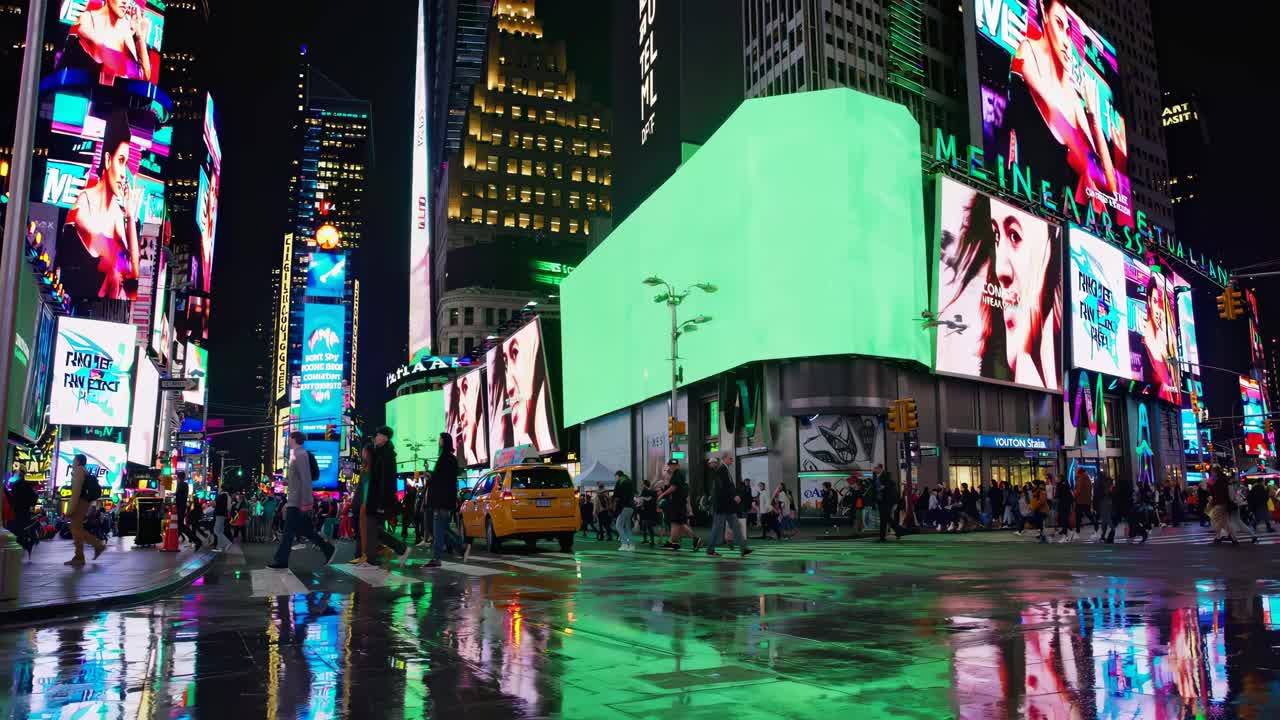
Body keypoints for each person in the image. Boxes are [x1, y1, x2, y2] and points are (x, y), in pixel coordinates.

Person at [59, 110, 142, 300]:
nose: (124, 174)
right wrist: (121, 257)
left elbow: (134, 273)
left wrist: (129, 218)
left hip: (106, 313)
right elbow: (109, 255)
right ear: (107, 160)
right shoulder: (84, 201)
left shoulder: (117, 214)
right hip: (73, 309)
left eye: (126, 163)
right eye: (121, 161)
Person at [268, 432, 336, 569]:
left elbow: (306, 478)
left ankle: (281, 561)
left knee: (288, 532)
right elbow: (300, 478)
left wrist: (307, 502)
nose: (287, 441)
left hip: (297, 501)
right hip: (295, 499)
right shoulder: (296, 455)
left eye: (289, 438)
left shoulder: (301, 455)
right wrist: (287, 482)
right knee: (305, 530)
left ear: (294, 439)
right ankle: (328, 549)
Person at [68, 0, 152, 84]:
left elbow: (146, 77)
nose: (125, 2)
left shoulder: (127, 30)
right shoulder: (87, 19)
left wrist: (140, 36)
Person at [426, 432, 467, 567]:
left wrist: (431, 477)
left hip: (441, 500)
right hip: (444, 500)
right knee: (442, 528)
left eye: (440, 439)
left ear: (444, 441)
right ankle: (461, 548)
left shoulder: (445, 459)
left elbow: (442, 481)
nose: (438, 442)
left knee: (439, 529)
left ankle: (437, 558)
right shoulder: (449, 459)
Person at [64, 454, 107, 566]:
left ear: (78, 461)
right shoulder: (83, 471)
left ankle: (94, 547)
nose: (72, 462)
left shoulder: (79, 471)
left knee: (75, 528)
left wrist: (70, 509)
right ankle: (81, 554)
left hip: (80, 502)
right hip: (83, 502)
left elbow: (76, 492)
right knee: (76, 528)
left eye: (74, 460)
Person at [705, 454, 750, 557]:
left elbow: (726, 487)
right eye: (730, 459)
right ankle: (710, 549)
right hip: (722, 505)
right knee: (717, 528)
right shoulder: (721, 470)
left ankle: (743, 548)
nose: (732, 461)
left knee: (736, 526)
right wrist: (734, 496)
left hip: (727, 505)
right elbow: (724, 487)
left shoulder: (723, 470)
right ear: (724, 458)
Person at [659, 461, 700, 551]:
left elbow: (674, 488)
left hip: (677, 504)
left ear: (677, 465)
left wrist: (662, 495)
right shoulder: (678, 476)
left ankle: (674, 542)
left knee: (676, 523)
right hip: (677, 504)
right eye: (670, 465)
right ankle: (674, 542)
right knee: (680, 524)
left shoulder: (677, 474)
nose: (671, 467)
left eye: (673, 465)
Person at [4, 470, 39, 555]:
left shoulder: (17, 485)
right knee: (20, 532)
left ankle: (23, 546)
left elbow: (13, 499)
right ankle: (26, 545)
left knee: (16, 532)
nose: (13, 476)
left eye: (15, 474)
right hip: (24, 512)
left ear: (19, 476)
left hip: (17, 512)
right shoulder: (27, 486)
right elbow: (34, 499)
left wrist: (5, 490)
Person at [874, 464, 904, 542]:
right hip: (881, 501)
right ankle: (898, 531)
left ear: (880, 468)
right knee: (886, 518)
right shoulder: (877, 476)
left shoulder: (886, 475)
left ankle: (883, 537)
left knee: (885, 518)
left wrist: (884, 486)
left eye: (875, 468)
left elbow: (891, 484)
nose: (874, 469)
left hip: (886, 501)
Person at [613, 471, 637, 551]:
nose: (615, 479)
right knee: (627, 527)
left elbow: (616, 494)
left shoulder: (621, 482)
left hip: (624, 507)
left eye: (615, 477)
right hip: (631, 507)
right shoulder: (629, 481)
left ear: (618, 476)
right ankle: (632, 545)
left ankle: (625, 544)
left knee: (618, 526)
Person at [1073, 468, 1094, 540]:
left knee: (1078, 516)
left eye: (1076, 472)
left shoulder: (1080, 480)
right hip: (1087, 500)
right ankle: (1096, 527)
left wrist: (1074, 495)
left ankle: (1077, 532)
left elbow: (1078, 491)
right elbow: (1090, 489)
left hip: (1080, 501)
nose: (1075, 473)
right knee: (1088, 514)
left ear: (1079, 473)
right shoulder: (1088, 479)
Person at [211, 485, 233, 551]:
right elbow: (229, 507)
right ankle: (219, 547)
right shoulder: (228, 496)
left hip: (219, 514)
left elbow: (215, 504)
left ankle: (227, 543)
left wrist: (213, 503)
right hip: (223, 515)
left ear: (222, 489)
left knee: (216, 530)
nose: (218, 489)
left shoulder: (221, 496)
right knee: (220, 531)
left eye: (219, 488)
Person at [639, 479, 659, 546]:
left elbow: (649, 499)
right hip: (645, 511)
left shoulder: (651, 492)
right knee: (644, 525)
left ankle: (652, 540)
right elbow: (642, 500)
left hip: (650, 511)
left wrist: (642, 498)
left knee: (649, 526)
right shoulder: (645, 491)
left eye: (642, 484)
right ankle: (646, 540)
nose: (641, 485)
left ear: (645, 484)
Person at [1054, 474, 1074, 541]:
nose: (1056, 479)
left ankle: (1065, 536)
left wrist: (1055, 497)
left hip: (1063, 504)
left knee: (1063, 519)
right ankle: (1069, 532)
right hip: (1067, 504)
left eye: (1056, 478)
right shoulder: (1066, 484)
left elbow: (1058, 495)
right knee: (1064, 519)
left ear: (1059, 478)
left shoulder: (1060, 485)